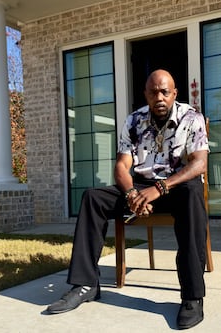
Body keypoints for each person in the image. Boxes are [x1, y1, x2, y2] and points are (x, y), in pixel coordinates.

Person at [46, 69, 209, 330]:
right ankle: (86, 284)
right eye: (154, 91)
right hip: (141, 188)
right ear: (145, 94)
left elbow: (199, 164)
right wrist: (132, 194)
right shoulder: (133, 121)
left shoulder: (192, 118)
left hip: (175, 186)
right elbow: (122, 166)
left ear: (174, 93)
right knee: (93, 198)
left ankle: (192, 296)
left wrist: (161, 187)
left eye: (165, 91)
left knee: (192, 194)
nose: (159, 97)